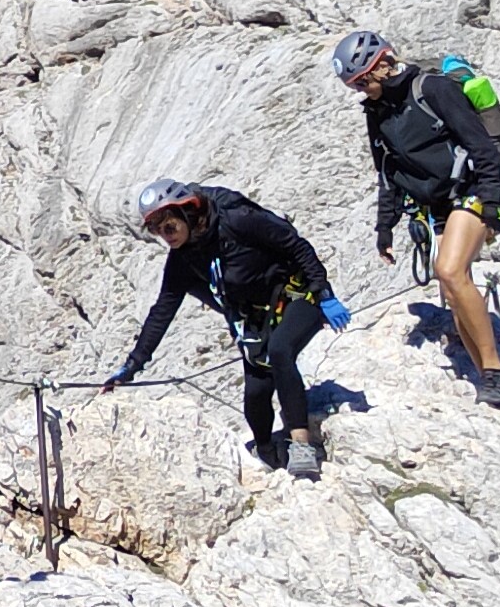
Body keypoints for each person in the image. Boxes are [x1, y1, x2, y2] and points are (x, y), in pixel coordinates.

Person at [103, 180, 350, 479]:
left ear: (187, 213)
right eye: (157, 232)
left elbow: (294, 244)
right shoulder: (183, 258)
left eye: (168, 227)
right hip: (255, 319)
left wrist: (324, 293)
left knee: (280, 350)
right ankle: (266, 451)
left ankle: (301, 447)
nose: (165, 237)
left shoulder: (237, 220)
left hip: (298, 295)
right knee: (256, 393)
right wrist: (131, 367)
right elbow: (163, 310)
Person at [333, 30, 500, 405]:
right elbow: (388, 173)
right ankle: (486, 378)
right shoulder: (377, 114)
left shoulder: (431, 89)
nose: (362, 89)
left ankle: (496, 370)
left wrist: (492, 200)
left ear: (382, 63)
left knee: (450, 270)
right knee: (449, 287)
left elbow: (480, 146)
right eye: (355, 85)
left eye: (363, 80)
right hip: (438, 205)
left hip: (471, 191)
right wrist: (385, 226)